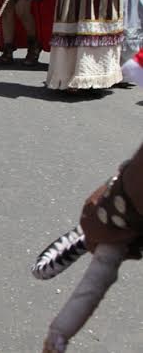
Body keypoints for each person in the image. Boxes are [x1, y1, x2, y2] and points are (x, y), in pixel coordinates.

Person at [35, 141, 143, 352]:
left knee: (101, 269)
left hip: (119, 214)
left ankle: (56, 340)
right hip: (120, 212)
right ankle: (56, 338)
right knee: (101, 268)